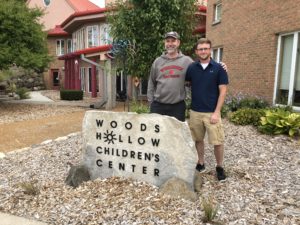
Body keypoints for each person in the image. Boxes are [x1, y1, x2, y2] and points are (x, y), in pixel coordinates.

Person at [186, 38, 229, 181]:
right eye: (200, 49)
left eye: (205, 48)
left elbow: (223, 91)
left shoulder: (219, 68)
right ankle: (201, 162)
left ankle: (219, 167)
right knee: (198, 139)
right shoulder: (192, 68)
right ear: (196, 51)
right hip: (195, 111)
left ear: (210, 50)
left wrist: (217, 112)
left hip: (212, 112)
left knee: (218, 141)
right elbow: (186, 82)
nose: (203, 51)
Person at [147, 31, 193, 122]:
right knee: (157, 135)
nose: (170, 44)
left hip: (177, 107)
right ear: (165, 43)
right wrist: (151, 102)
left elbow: (201, 70)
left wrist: (219, 66)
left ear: (178, 43)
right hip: (158, 106)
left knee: (176, 134)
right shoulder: (158, 61)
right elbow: (151, 82)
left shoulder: (187, 61)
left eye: (173, 41)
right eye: (168, 41)